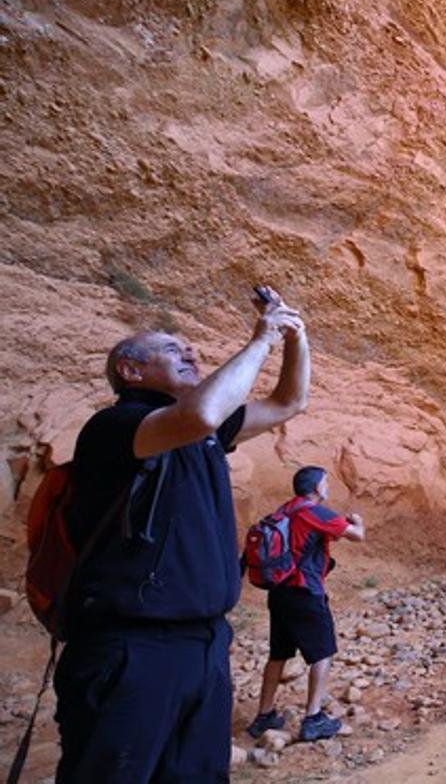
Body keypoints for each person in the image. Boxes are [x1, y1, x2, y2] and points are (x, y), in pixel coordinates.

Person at [55, 287, 309, 783]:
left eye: (191, 349)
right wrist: (261, 340)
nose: (190, 353)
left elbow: (288, 402)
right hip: (132, 648)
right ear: (131, 371)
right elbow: (199, 414)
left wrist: (296, 335)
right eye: (173, 350)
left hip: (205, 644)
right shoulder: (116, 426)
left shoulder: (207, 434)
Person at [247, 466, 365, 742]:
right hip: (304, 591)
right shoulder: (315, 511)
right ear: (315, 488)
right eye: (325, 483)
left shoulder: (285, 511)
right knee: (322, 653)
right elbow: (356, 536)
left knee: (278, 654)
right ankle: (313, 719)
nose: (327, 488)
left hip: (278, 592)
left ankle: (264, 716)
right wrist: (358, 522)